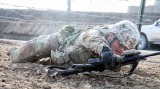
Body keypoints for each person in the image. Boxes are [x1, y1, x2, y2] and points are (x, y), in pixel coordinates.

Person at [9, 20, 140, 69]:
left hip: (65, 58)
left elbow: (112, 65)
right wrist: (105, 50)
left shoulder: (114, 51)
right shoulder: (96, 34)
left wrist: (127, 60)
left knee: (43, 64)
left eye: (126, 48)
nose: (122, 50)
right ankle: (12, 49)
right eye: (121, 44)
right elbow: (89, 37)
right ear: (112, 35)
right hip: (56, 43)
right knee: (17, 57)